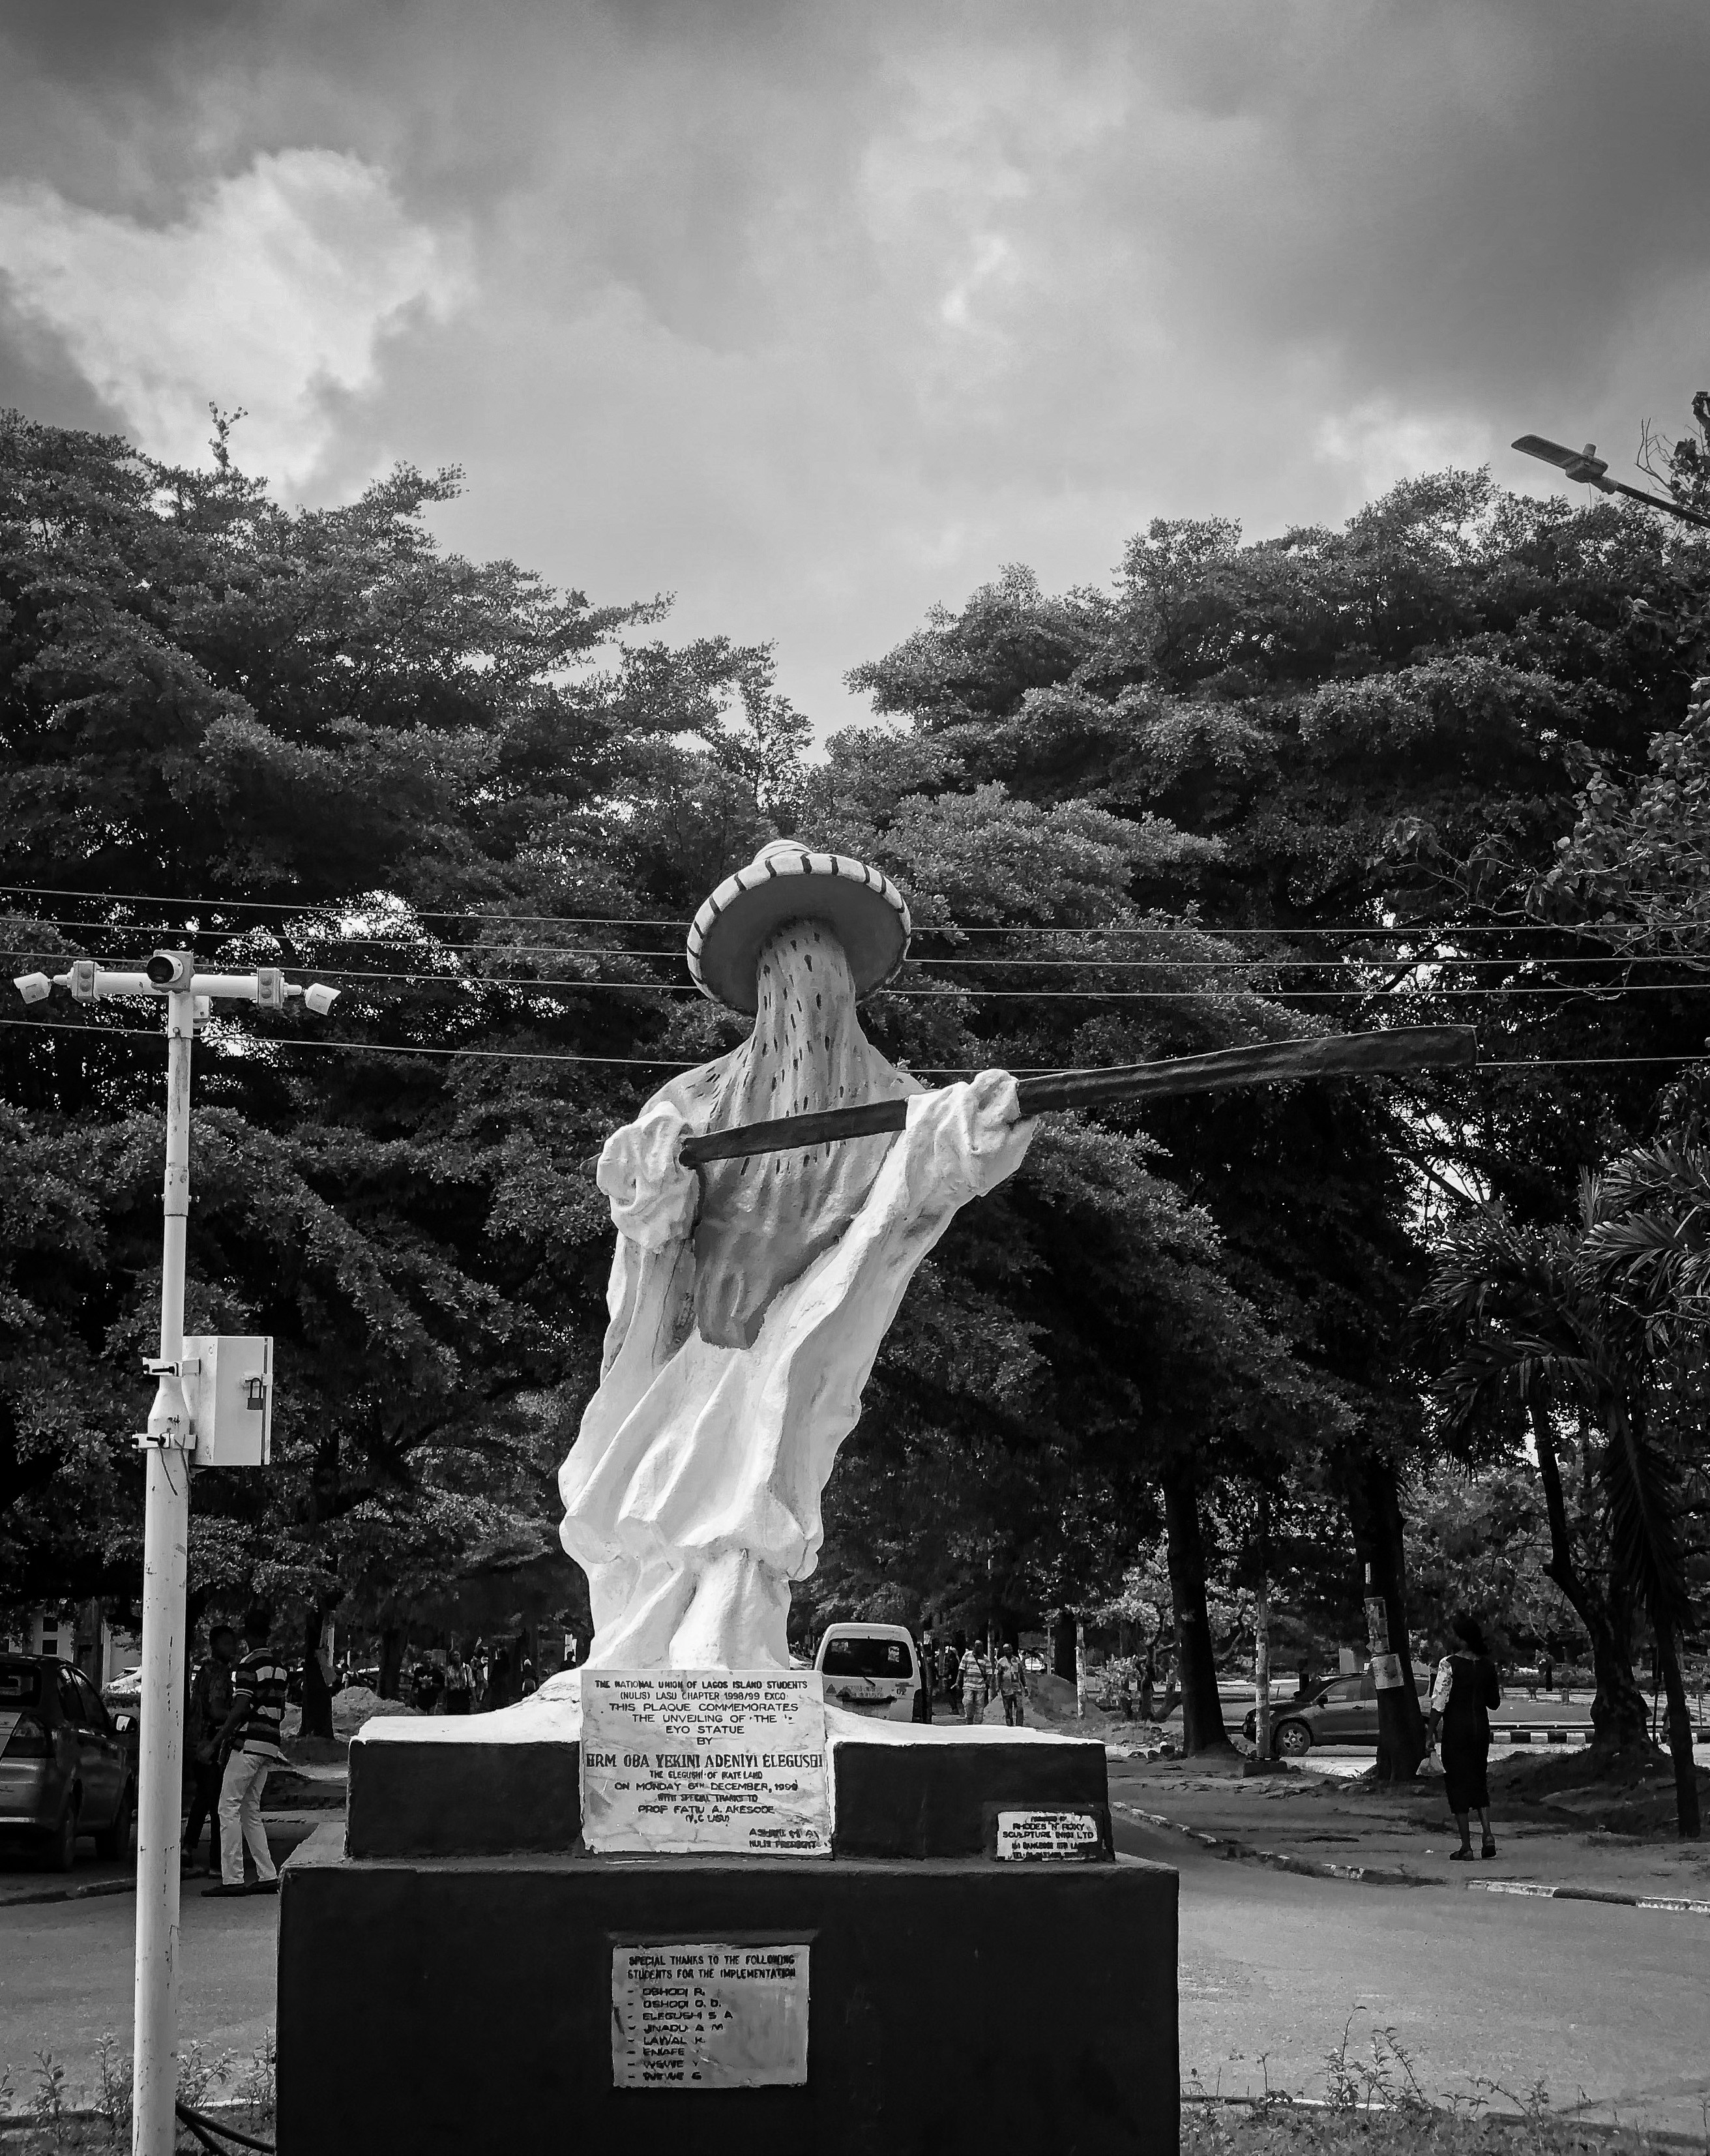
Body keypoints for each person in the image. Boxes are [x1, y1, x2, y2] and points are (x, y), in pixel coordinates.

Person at [558, 842, 1033, 1670]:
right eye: (785, 967)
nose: (804, 990)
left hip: (800, 1326)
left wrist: (979, 1122)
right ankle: (652, 1641)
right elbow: (647, 1208)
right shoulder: (697, 1096)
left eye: (822, 966)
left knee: (763, 1475)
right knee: (656, 1484)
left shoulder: (897, 1099)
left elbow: (944, 1150)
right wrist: (652, 1173)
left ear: (845, 981)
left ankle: (727, 1638)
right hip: (698, 1338)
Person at [205, 1603, 289, 1897]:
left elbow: (241, 1707)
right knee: (250, 1809)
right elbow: (280, 1710)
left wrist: (215, 1742)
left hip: (249, 1744)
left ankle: (233, 1878)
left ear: (246, 1634)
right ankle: (267, 1874)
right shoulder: (280, 1668)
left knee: (226, 1807)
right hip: (270, 1745)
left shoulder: (248, 1665)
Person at [1430, 1614, 1503, 1861]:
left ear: (1461, 1639)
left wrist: (1429, 1733)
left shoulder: (1448, 1665)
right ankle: (1488, 1834)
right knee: (1478, 1779)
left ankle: (1466, 1847)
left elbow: (1439, 1702)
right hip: (1480, 1729)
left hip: (1457, 1731)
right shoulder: (1487, 1666)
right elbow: (1494, 1703)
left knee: (1457, 1784)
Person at [182, 1625, 237, 1876]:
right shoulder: (219, 1673)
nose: (232, 1648)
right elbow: (216, 1710)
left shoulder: (203, 1669)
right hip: (210, 1742)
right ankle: (217, 1862)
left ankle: (188, 1846)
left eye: (233, 1643)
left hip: (195, 1740)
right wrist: (238, 1714)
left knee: (204, 1797)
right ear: (214, 1645)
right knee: (217, 1802)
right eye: (226, 1643)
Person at [960, 1642, 988, 1725]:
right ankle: (969, 1719)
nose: (979, 1648)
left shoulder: (986, 1658)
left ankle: (978, 1723)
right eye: (977, 1646)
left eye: (981, 1646)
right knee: (968, 1702)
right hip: (968, 1684)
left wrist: (988, 1683)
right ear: (974, 1647)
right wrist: (958, 1682)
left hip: (980, 1685)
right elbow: (961, 1669)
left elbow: (989, 1672)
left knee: (980, 1705)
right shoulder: (967, 1655)